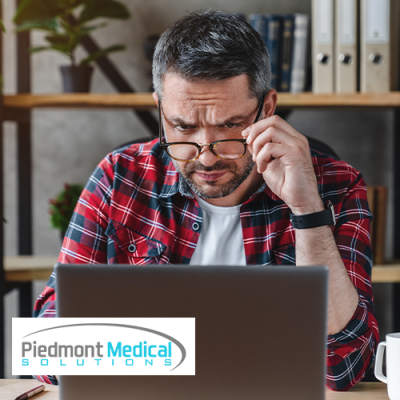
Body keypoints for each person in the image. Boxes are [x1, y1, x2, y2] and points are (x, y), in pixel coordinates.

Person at [33, 10, 378, 390]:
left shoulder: (335, 185)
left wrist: (307, 210)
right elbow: (49, 348)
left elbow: (345, 368)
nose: (207, 155)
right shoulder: (120, 178)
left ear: (266, 108)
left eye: (230, 125)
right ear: (160, 109)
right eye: (183, 126)